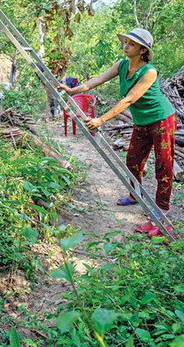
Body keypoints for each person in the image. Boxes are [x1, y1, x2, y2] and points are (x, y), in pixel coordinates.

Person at [58, 28, 176, 237]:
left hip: (161, 119)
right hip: (141, 121)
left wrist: (101, 119)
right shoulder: (122, 65)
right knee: (132, 161)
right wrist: (73, 90)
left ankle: (161, 216)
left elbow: (129, 99)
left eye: (131, 44)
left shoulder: (149, 72)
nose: (126, 46)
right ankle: (135, 194)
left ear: (142, 50)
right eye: (126, 42)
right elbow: (97, 80)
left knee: (163, 166)